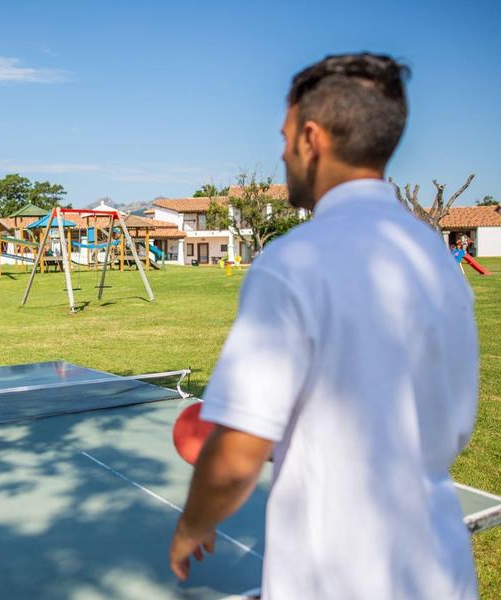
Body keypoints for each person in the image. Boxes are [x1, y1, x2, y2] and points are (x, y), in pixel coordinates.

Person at [169, 53, 478, 599]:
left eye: (285, 136)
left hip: (339, 574)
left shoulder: (292, 263)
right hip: (440, 568)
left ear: (311, 139)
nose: (283, 152)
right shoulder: (433, 257)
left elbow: (238, 448)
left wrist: (193, 521)